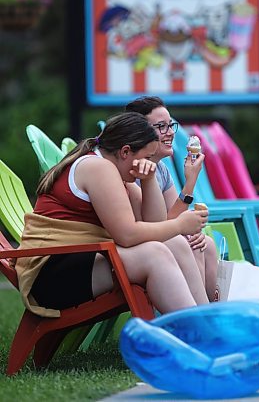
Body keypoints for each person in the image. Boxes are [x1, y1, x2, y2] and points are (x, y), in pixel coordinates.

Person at [15, 112, 209, 318]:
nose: (150, 163)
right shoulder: (98, 167)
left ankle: (207, 321)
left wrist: (149, 178)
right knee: (155, 255)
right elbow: (127, 235)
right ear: (125, 151)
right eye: (147, 158)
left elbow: (156, 226)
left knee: (175, 244)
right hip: (49, 277)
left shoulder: (116, 171)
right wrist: (180, 225)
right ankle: (197, 333)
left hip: (75, 262)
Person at [124, 96, 218, 301]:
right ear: (140, 132)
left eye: (171, 125)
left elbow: (170, 218)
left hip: (157, 236)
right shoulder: (133, 170)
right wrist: (183, 226)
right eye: (161, 127)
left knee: (205, 243)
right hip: (140, 245)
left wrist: (190, 182)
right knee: (186, 242)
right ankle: (198, 316)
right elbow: (157, 226)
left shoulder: (161, 169)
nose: (170, 133)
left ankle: (215, 313)